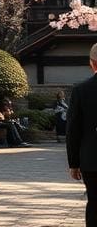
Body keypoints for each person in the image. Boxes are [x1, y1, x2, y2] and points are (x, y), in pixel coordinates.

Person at [68, 42, 97, 227]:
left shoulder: (81, 90)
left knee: (95, 204)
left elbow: (73, 129)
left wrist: (74, 163)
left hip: (92, 159)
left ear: (92, 63)